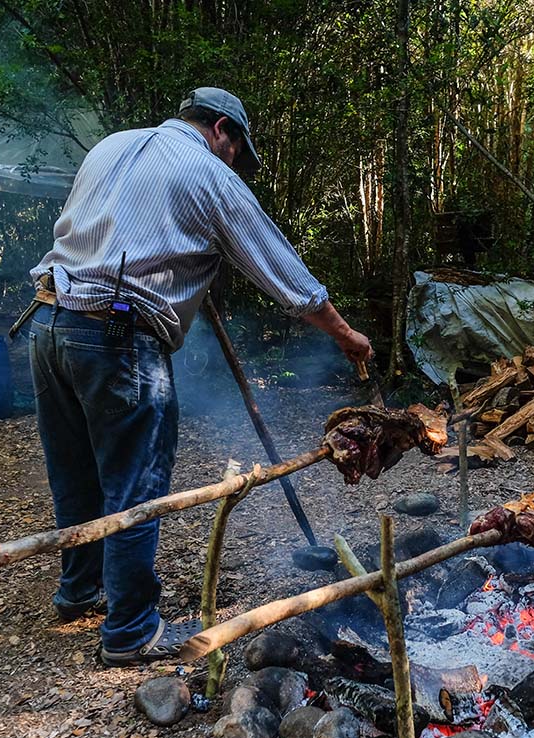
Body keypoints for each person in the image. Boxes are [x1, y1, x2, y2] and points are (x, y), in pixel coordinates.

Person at [25, 87, 372, 666]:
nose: (234, 161)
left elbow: (113, 236)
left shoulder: (111, 146)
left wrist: (185, 262)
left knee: (76, 472)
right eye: (236, 149)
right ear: (219, 130)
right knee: (134, 482)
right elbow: (284, 275)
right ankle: (131, 629)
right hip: (116, 339)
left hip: (48, 323)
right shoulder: (208, 174)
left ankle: (80, 589)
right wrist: (344, 334)